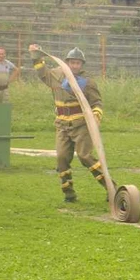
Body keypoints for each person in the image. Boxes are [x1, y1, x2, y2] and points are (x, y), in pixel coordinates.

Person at [28, 44, 112, 202]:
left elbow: (97, 103)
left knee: (85, 157)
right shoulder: (56, 76)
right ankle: (69, 193)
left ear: (82, 65)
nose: (74, 65)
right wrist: (35, 55)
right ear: (66, 62)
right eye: (72, 62)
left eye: (78, 63)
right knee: (61, 158)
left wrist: (96, 116)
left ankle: (110, 187)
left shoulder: (87, 82)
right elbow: (42, 73)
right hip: (62, 126)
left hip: (81, 126)